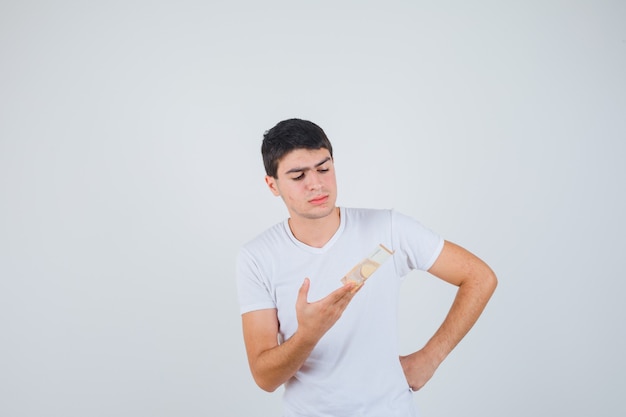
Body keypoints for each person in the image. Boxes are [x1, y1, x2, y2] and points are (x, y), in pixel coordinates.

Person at [236, 118, 497, 417]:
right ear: (273, 185)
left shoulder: (387, 228)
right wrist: (309, 334)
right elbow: (265, 377)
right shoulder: (257, 257)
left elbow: (479, 277)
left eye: (324, 168)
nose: (317, 184)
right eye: (298, 176)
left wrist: (430, 358)